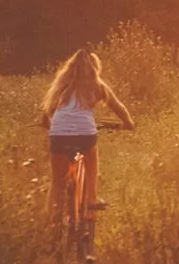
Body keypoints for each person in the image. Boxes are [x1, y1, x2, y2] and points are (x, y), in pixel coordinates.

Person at [41, 47, 135, 222]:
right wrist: (128, 123)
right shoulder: (97, 85)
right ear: (93, 68)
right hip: (85, 136)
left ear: (69, 68)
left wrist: (49, 126)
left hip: (59, 136)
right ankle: (92, 197)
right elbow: (118, 107)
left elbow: (48, 111)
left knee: (57, 183)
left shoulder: (62, 85)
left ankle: (51, 224)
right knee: (91, 154)